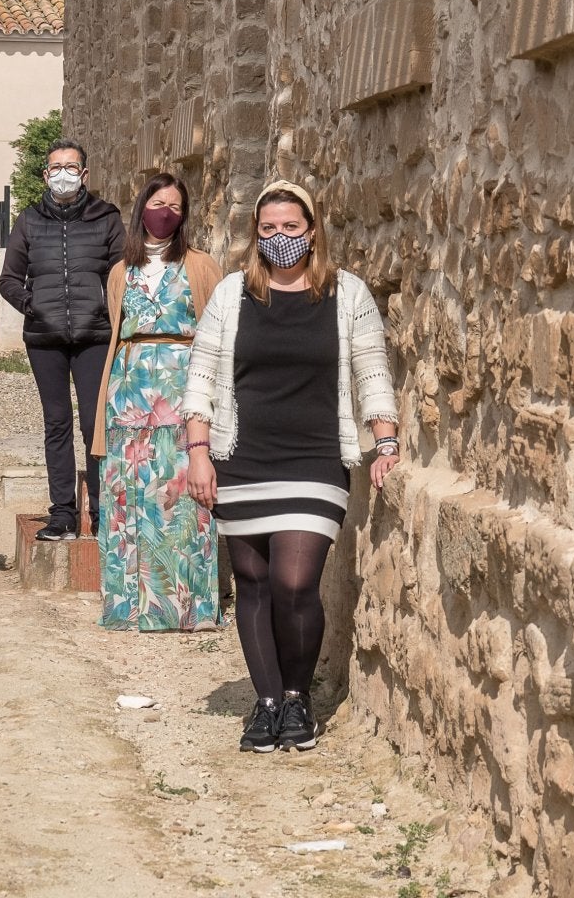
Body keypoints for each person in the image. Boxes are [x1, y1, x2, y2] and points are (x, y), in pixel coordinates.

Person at [183, 181, 400, 754]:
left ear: (313, 231)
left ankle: (298, 695)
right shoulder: (232, 296)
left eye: (292, 228)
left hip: (315, 458)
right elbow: (201, 379)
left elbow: (372, 371)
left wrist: (386, 443)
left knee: (294, 582)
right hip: (241, 457)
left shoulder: (346, 294)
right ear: (256, 235)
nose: (280, 238)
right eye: (269, 229)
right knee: (253, 584)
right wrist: (198, 452)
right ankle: (268, 701)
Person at [91, 173, 224, 631]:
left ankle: (189, 608)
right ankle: (130, 605)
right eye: (157, 201)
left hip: (183, 393)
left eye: (175, 205)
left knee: (182, 493)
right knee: (129, 493)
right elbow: (115, 326)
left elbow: (217, 330)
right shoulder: (119, 271)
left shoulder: (201, 265)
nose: (164, 211)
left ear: (184, 215)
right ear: (141, 206)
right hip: (127, 395)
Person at [0, 138, 125, 542]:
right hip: (45, 338)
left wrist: (107, 308)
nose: (63, 174)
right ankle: (62, 514)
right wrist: (32, 304)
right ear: (45, 175)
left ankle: (102, 509)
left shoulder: (107, 218)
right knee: (57, 423)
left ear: (85, 175)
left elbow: (123, 273)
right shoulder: (29, 220)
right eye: (56, 168)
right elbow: (8, 280)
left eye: (72, 167)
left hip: (95, 336)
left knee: (94, 423)